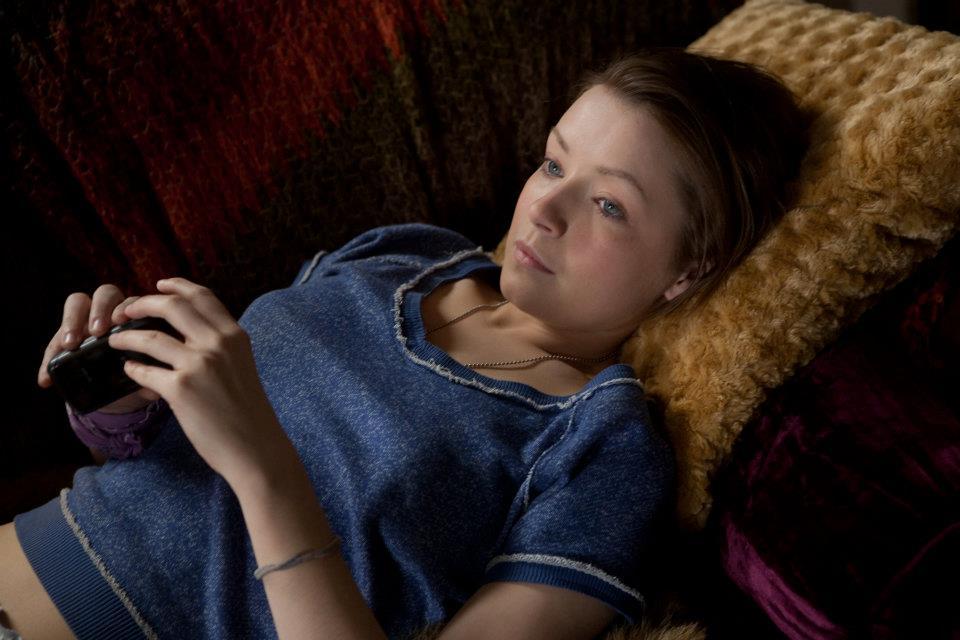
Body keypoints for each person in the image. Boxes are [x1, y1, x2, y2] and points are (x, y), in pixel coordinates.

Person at [0, 46, 809, 640]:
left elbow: (248, 462)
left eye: (610, 206)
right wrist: (117, 401)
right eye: (554, 163)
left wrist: (264, 465)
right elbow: (161, 463)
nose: (544, 209)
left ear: (686, 271)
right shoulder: (406, 253)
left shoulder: (605, 450)